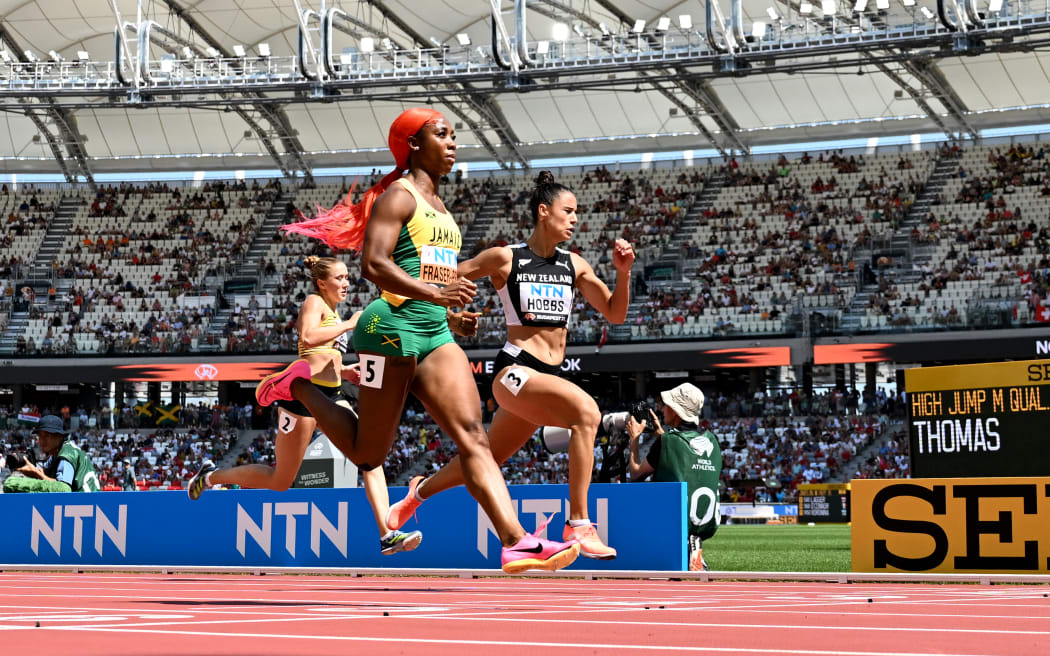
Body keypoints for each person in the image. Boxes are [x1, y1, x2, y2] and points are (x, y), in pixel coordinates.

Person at [257, 108, 579, 574]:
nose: (452, 143)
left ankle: (515, 542)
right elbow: (374, 264)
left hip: (434, 330)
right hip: (387, 329)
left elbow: (428, 271)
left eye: (454, 136)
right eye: (441, 134)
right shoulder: (398, 197)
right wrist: (436, 293)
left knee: (474, 439)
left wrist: (449, 310)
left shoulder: (443, 212)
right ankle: (299, 386)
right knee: (369, 454)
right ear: (412, 143)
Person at [385, 170, 635, 560]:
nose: (574, 219)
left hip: (548, 375)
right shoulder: (507, 258)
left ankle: (416, 493)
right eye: (567, 211)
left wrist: (623, 274)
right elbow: (445, 275)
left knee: (486, 460)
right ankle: (580, 524)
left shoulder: (576, 265)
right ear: (543, 211)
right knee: (587, 413)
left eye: (576, 213)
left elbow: (615, 314)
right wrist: (441, 307)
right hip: (514, 370)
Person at [188, 256, 423, 556]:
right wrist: (352, 323)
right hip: (301, 396)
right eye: (339, 278)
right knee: (280, 480)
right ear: (322, 283)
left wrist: (345, 370)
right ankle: (211, 477)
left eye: (347, 277)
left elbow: (326, 354)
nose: (346, 283)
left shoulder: (336, 315)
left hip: (332, 394)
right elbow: (308, 338)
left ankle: (387, 534)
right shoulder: (314, 303)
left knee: (369, 456)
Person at [625, 383, 722, 571]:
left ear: (676, 412)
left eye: (666, 405)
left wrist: (634, 440)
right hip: (706, 523)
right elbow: (682, 454)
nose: (662, 409)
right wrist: (661, 434)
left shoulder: (666, 442)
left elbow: (635, 474)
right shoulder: (712, 442)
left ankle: (678, 549)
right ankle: (690, 546)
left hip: (671, 521)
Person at [2, 415, 100, 493]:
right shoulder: (59, 452)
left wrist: (35, 473)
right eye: (40, 436)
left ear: (59, 436)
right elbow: (45, 474)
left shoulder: (66, 455)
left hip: (85, 504)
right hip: (88, 503)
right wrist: (31, 470)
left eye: (47, 436)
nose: (42, 440)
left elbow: (63, 489)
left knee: (13, 484)